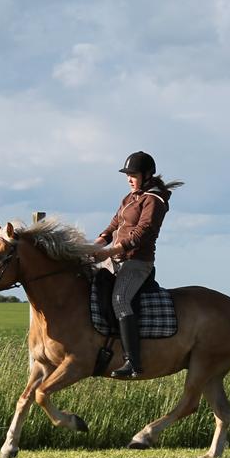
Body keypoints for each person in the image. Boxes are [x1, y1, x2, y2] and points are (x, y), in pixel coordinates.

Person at [93, 151, 183, 378]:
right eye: (127, 175)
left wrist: (113, 249)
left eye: (133, 174)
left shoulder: (154, 201)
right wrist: (99, 241)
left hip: (136, 262)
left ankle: (132, 361)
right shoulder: (130, 198)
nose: (129, 178)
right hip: (114, 259)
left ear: (147, 175)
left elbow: (143, 232)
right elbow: (115, 222)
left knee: (120, 300)